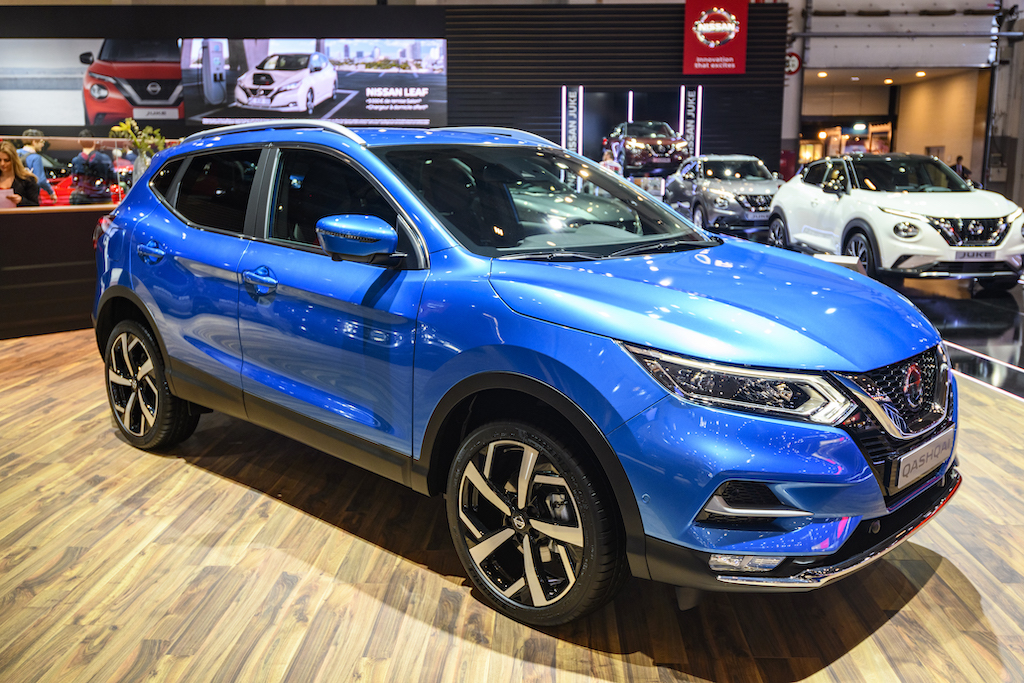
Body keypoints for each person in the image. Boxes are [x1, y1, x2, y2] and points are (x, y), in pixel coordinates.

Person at [70, 129, 116, 204]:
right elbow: (113, 178)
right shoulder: (105, 158)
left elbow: (74, 182)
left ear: (79, 141)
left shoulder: (76, 161)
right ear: (94, 141)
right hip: (103, 199)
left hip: (83, 200)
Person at [17, 129, 57, 203]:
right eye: (42, 142)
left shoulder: (16, 153)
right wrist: (51, 192)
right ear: (34, 142)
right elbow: (40, 180)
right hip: (29, 194)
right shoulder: (36, 157)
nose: (43, 145)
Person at [0, 139, 40, 208]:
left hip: (20, 214)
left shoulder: (28, 180)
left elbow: (35, 206)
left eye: (6, 160)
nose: (2, 164)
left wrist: (21, 200)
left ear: (14, 160)